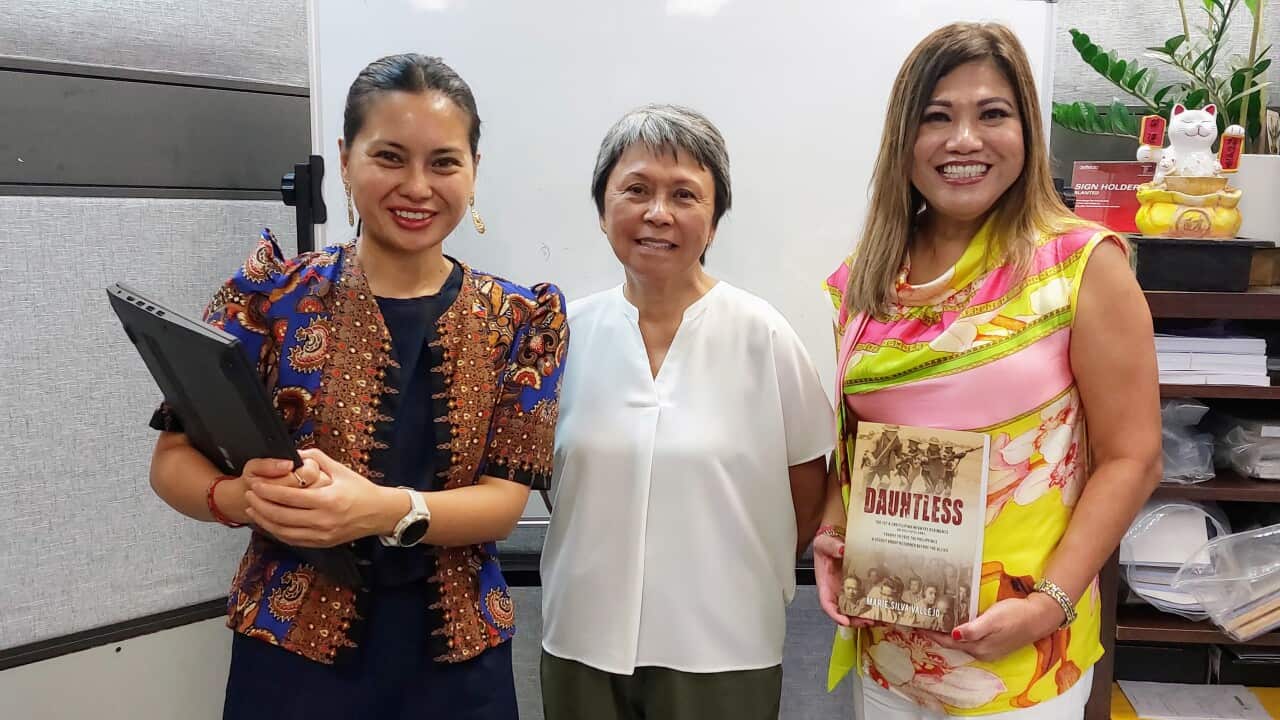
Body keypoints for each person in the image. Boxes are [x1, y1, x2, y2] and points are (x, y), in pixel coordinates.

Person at [147, 53, 567, 720]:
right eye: (390, 157)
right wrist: (240, 497)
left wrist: (380, 510)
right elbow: (172, 460)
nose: (418, 186)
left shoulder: (521, 320)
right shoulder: (267, 294)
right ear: (345, 160)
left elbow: (503, 504)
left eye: (444, 162)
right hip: (289, 656)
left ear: (475, 170)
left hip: (457, 661)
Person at [810, 22, 1160, 719]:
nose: (963, 140)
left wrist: (1047, 606)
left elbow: (1133, 457)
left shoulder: (1080, 265)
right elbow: (857, 441)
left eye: (991, 114)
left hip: (1020, 654)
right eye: (936, 117)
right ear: (902, 139)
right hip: (892, 641)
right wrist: (832, 530)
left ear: (1026, 130)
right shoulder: (865, 282)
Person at [539, 104, 834, 720]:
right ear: (602, 210)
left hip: (724, 647)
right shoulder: (562, 335)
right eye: (636, 190)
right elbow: (553, 478)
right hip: (581, 639)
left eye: (684, 195)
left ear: (714, 220)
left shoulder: (763, 335)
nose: (657, 213)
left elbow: (808, 486)